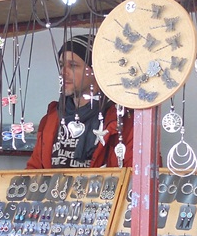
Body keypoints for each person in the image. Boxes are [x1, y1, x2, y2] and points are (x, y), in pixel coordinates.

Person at [26, 33, 134, 169]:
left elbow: (136, 179)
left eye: (73, 65)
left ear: (96, 70)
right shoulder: (52, 118)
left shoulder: (122, 120)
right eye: (61, 65)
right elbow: (33, 172)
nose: (63, 72)